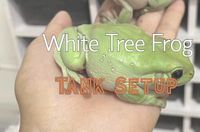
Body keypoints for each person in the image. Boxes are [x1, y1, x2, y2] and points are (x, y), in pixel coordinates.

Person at [15, 0, 185, 131]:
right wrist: (146, 97)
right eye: (176, 74)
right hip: (89, 43)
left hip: (109, 34)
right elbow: (123, 88)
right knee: (74, 61)